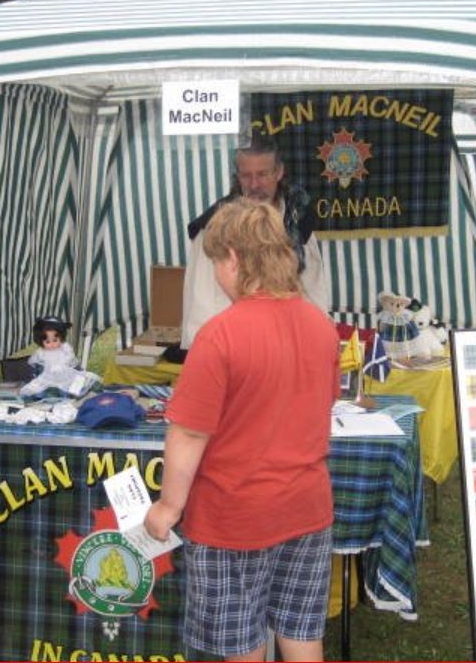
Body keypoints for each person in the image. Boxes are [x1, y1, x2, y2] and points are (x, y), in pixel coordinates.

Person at [144, 198, 340, 662]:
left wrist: (169, 506)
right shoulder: (321, 325)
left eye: (216, 263)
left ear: (233, 258)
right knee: (301, 630)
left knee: (241, 642)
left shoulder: (219, 335)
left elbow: (189, 433)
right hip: (306, 509)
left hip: (234, 516)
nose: (216, 275)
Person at [180, 136, 329, 349]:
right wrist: (204, 349)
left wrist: (318, 338)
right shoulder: (215, 229)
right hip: (236, 346)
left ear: (279, 172)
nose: (254, 184)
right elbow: (201, 304)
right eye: (246, 175)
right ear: (237, 176)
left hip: (289, 344)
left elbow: (313, 293)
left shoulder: (298, 223)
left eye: (262, 174)